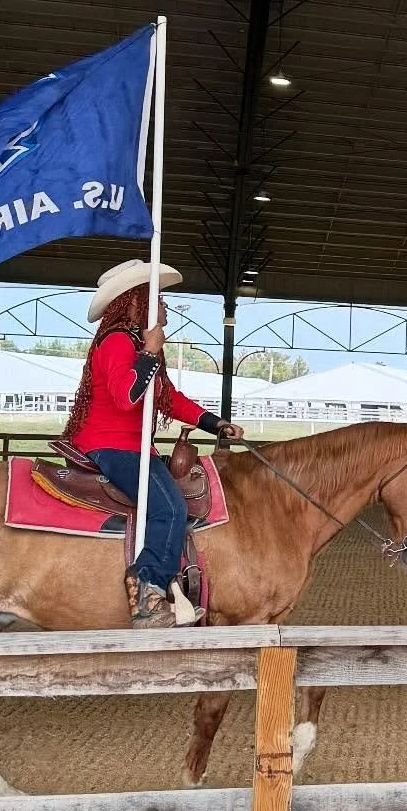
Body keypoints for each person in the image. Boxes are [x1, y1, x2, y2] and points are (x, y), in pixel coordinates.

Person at [63, 259, 244, 628]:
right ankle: (147, 591)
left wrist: (215, 424)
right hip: (111, 446)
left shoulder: (136, 344)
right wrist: (148, 353)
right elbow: (126, 397)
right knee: (171, 510)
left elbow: (168, 398)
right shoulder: (116, 342)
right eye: (157, 299)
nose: (164, 307)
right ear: (135, 302)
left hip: (134, 447)